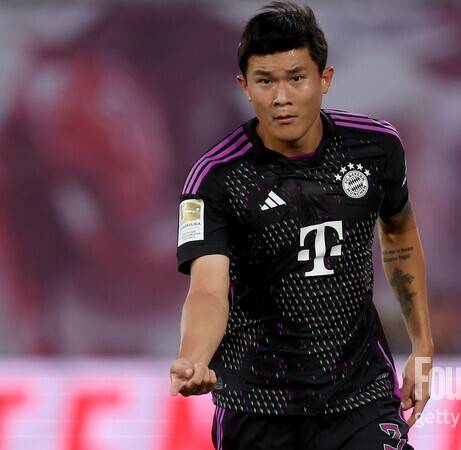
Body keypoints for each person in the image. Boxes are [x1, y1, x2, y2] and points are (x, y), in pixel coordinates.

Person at [169, 2, 433, 449]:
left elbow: (399, 232)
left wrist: (422, 345)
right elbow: (208, 290)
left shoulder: (376, 147)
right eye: (265, 81)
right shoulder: (216, 177)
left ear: (324, 79)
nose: (281, 97)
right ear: (244, 87)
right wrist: (194, 358)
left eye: (296, 78)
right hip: (257, 404)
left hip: (360, 396)